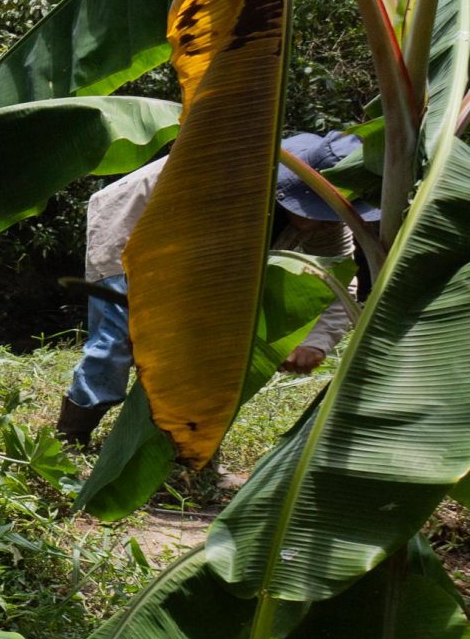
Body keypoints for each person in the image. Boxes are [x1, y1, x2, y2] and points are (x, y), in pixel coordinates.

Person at [57, 132, 366, 446]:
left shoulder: (330, 225)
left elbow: (337, 282)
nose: (329, 223)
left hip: (205, 254)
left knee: (208, 354)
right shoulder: (235, 186)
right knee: (118, 339)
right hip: (134, 219)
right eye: (321, 212)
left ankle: (187, 445)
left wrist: (316, 342)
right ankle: (71, 435)